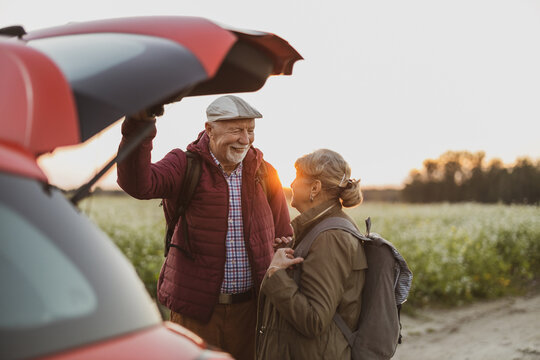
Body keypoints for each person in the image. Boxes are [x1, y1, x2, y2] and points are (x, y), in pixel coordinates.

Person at [117, 95, 293, 360]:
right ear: (210, 129)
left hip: (251, 313)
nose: (245, 139)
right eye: (236, 130)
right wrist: (140, 125)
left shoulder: (265, 172)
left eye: (250, 130)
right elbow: (137, 184)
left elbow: (283, 236)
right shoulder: (185, 164)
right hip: (196, 313)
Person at [256, 148, 366, 360]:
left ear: (315, 187)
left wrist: (277, 274)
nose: (292, 183)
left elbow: (313, 320)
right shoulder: (319, 230)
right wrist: (285, 254)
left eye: (297, 177)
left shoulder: (330, 238)